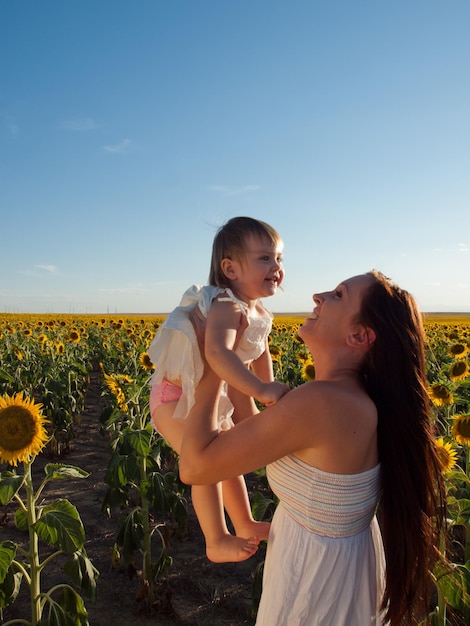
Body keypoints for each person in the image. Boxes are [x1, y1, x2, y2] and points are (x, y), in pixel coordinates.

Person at [179, 270, 448, 625]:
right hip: (332, 568)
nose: (317, 296)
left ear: (360, 335)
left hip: (315, 582)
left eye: (338, 295)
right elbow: (252, 429)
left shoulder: (324, 402)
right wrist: (245, 356)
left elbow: (196, 467)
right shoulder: (348, 399)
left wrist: (213, 358)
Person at [148, 216, 289, 563]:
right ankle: (216, 539)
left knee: (227, 462)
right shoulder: (225, 305)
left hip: (206, 400)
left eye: (279, 258)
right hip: (175, 399)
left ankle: (245, 523)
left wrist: (265, 394)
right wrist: (259, 389)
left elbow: (259, 352)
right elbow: (217, 353)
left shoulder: (258, 312)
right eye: (264, 258)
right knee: (207, 464)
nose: (276, 266)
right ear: (230, 269)